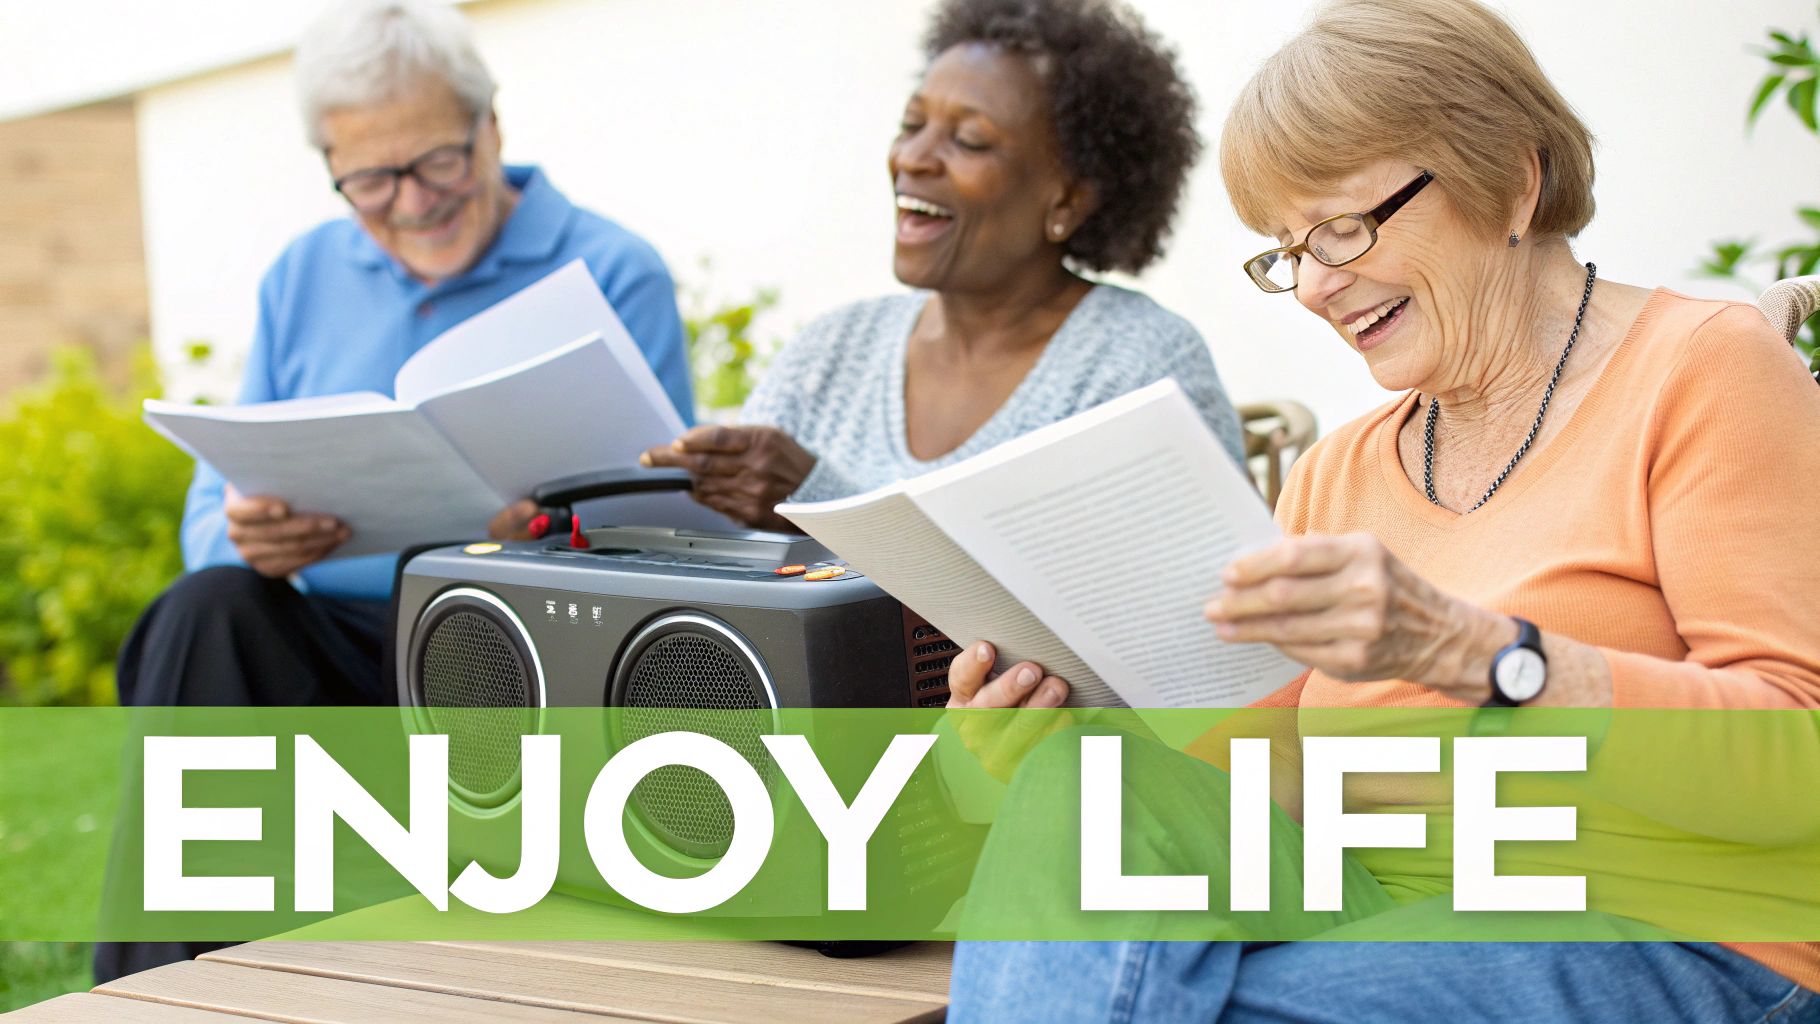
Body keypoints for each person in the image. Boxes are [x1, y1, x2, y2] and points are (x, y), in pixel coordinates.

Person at [942, 0, 1820, 1019]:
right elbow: (1254, 792)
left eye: (1342, 228)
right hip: (1374, 920)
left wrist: (1474, 652)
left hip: (1669, 928)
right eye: (1287, 250)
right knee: (1091, 804)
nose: (1315, 285)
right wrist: (1042, 749)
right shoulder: (1335, 474)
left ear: (1511, 180)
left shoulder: (1704, 369)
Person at [116, 0, 692, 710]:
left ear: (490, 126)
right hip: (339, 640)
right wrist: (250, 540)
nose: (414, 204)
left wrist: (530, 543)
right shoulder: (301, 274)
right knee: (207, 606)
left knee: (491, 626)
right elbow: (209, 520)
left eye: (439, 163)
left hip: (523, 644)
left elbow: (662, 530)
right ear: (331, 164)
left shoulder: (613, 271)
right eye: (371, 181)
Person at [637, 0, 1244, 528]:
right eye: (912, 125)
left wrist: (817, 503)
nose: (912, 158)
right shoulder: (828, 354)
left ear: (1067, 201)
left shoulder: (1138, 369)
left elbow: (1178, 608)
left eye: (969, 141)